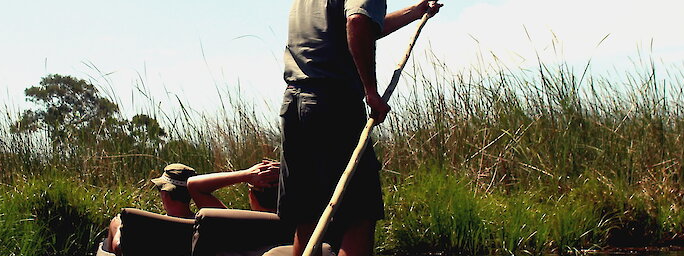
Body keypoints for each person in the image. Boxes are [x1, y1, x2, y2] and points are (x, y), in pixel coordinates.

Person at [277, 0, 443, 255]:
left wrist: (416, 12)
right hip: (332, 104)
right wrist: (371, 92)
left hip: (295, 104)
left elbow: (359, 24)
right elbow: (357, 21)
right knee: (358, 214)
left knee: (308, 215)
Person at [100, 161, 282, 254]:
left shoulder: (231, 226)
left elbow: (194, 185)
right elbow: (194, 186)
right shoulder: (293, 231)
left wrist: (247, 175)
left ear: (164, 194)